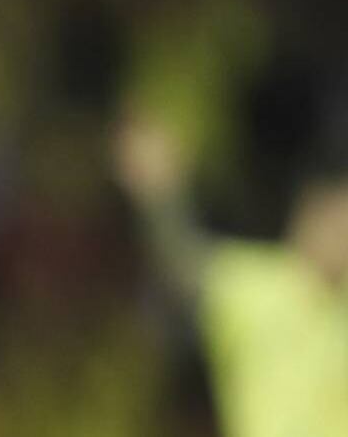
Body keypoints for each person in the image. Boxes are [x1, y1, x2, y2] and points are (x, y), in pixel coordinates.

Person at [115, 112, 348, 437]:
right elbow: (182, 264)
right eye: (338, 218)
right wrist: (161, 197)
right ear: (309, 212)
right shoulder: (258, 285)